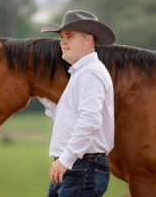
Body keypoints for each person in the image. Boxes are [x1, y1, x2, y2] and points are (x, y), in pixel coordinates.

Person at [40, 10, 115, 197]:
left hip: (81, 168)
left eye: (69, 36)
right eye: (62, 37)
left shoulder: (90, 73)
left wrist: (65, 160)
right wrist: (41, 96)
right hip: (76, 167)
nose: (62, 42)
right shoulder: (81, 72)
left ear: (88, 40)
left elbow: (90, 121)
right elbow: (69, 119)